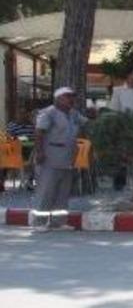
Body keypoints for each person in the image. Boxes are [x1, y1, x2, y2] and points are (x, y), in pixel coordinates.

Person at [32, 87, 87, 229]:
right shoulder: (48, 113)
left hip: (68, 158)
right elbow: (39, 133)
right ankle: (39, 222)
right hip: (50, 158)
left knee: (63, 192)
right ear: (58, 98)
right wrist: (39, 152)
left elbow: (86, 123)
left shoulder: (74, 114)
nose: (71, 99)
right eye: (67, 96)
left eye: (72, 96)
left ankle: (59, 222)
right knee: (46, 191)